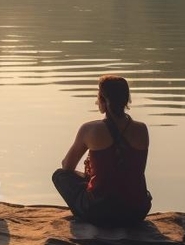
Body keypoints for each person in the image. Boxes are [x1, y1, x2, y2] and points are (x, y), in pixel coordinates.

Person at [52, 74, 151, 226]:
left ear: (104, 101)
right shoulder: (142, 129)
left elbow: (67, 166)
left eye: (98, 97)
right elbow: (131, 172)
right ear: (126, 100)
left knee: (59, 175)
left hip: (101, 213)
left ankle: (86, 214)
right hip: (137, 211)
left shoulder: (89, 129)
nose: (96, 101)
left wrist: (87, 176)